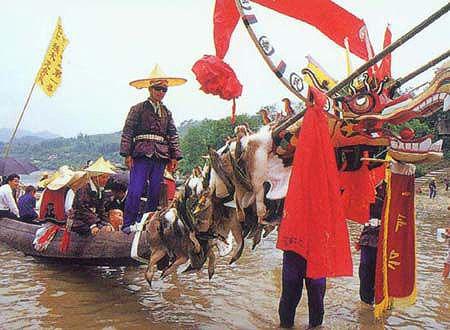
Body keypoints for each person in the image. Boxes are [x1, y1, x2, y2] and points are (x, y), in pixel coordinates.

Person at [120, 64, 185, 233]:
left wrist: (174, 157)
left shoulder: (167, 112)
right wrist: (126, 154)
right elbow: (127, 131)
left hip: (160, 155)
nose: (161, 92)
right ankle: (128, 224)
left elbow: (173, 135)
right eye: (158, 88)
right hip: (141, 153)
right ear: (150, 89)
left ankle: (147, 223)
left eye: (164, 89)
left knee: (155, 191)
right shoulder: (137, 109)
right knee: (135, 188)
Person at [355, 181, 386, 305]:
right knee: (365, 273)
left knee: (381, 273)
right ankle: (366, 305)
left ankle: (379, 303)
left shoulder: (394, 186)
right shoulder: (369, 183)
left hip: (385, 238)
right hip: (368, 238)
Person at [69, 158, 115, 235]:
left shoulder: (100, 191)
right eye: (103, 177)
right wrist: (93, 225)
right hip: (79, 221)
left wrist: (107, 223)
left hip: (93, 219)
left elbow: (101, 210)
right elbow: (83, 210)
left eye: (107, 177)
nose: (106, 180)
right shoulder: (83, 190)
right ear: (94, 177)